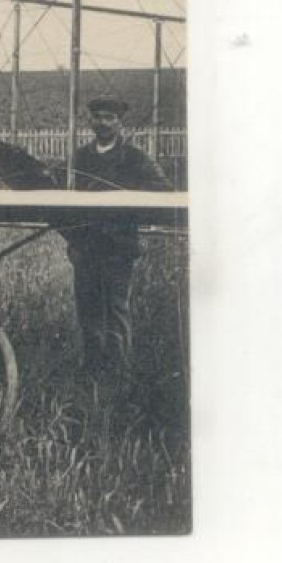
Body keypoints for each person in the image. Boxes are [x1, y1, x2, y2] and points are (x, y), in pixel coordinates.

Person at [64, 96, 172, 378]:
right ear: (90, 122)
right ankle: (91, 367)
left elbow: (163, 188)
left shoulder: (134, 158)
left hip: (118, 246)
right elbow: (64, 192)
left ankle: (119, 370)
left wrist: (125, 190)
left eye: (109, 117)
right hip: (85, 245)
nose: (102, 122)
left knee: (115, 306)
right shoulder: (80, 157)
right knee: (87, 306)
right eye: (97, 117)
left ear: (119, 123)